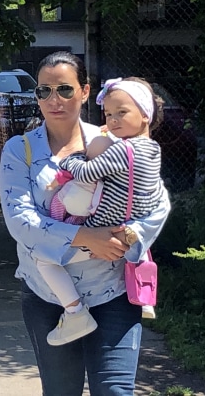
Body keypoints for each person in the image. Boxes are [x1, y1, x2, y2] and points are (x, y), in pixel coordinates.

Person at [0, 51, 170, 395]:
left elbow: (157, 201)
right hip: (48, 298)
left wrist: (129, 236)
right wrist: (87, 237)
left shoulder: (112, 140)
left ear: (85, 91)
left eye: (64, 89)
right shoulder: (20, 150)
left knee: (116, 390)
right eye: (43, 91)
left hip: (113, 293)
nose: (53, 100)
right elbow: (20, 220)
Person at [35, 76, 165, 346]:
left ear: (145, 115)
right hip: (129, 222)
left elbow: (88, 173)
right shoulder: (153, 150)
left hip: (101, 225)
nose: (113, 120)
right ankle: (145, 297)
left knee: (44, 259)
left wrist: (71, 160)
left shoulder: (123, 150)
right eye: (108, 114)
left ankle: (74, 312)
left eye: (121, 113)